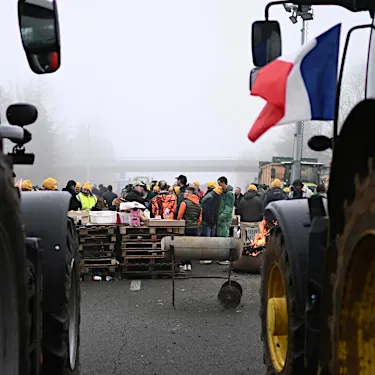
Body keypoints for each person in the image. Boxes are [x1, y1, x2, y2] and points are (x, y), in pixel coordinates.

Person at [177, 185, 202, 271]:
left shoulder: (184, 203)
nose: (184, 194)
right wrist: (196, 225)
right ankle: (189, 264)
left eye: (185, 192)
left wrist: (179, 223)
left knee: (184, 246)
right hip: (194, 228)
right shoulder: (198, 204)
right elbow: (200, 219)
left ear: (189, 193)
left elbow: (180, 216)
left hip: (185, 227)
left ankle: (184, 264)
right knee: (190, 247)